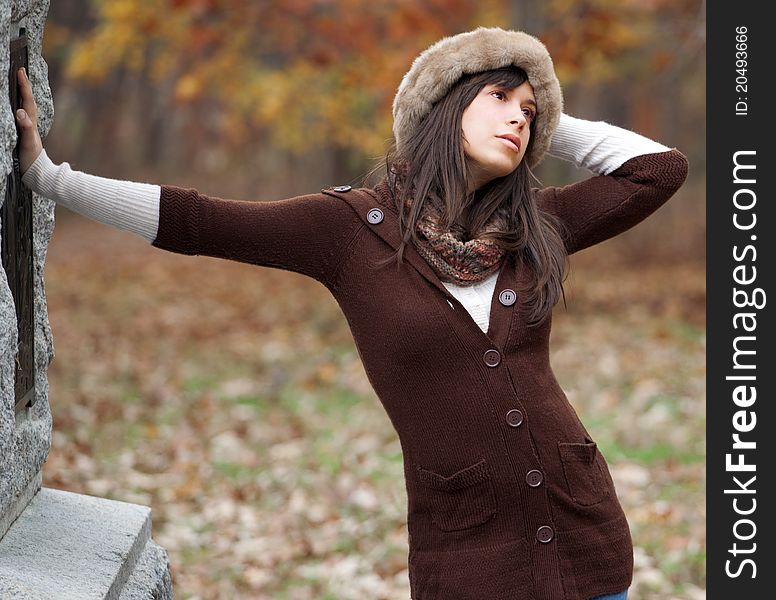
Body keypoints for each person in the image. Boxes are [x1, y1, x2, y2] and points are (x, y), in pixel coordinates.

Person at [15, 27, 687, 600]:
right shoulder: (347, 230)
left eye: (530, 112)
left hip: (585, 543)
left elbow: (659, 170)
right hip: (468, 560)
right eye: (499, 98)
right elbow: (198, 220)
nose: (520, 117)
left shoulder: (535, 227)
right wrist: (52, 177)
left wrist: (545, 114)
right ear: (445, 106)